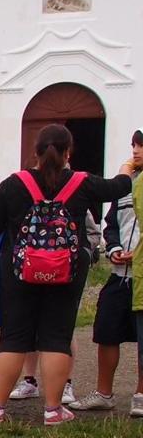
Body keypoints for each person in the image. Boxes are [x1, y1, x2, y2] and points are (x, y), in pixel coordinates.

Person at [0, 124, 135, 425]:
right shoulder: (82, 183)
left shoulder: (14, 184)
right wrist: (128, 167)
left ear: (35, 151)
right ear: (68, 153)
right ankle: (53, 410)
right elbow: (119, 187)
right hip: (67, 271)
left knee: (13, 337)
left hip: (19, 271)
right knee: (56, 337)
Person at [69, 128, 143, 414]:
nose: (135, 152)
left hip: (140, 276)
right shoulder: (125, 187)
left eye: (140, 147)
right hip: (119, 274)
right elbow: (111, 224)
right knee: (107, 331)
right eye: (133, 146)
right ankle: (104, 392)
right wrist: (113, 249)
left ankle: (139, 395)